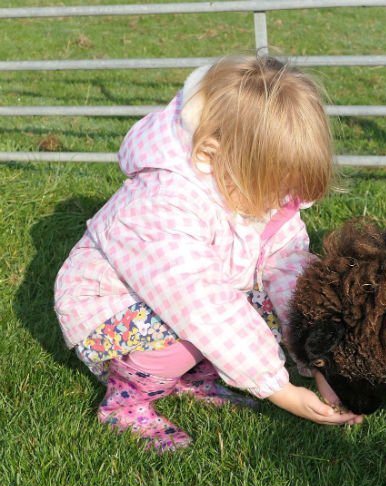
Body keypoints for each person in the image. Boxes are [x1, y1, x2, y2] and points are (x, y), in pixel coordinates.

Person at [54, 54, 363, 452]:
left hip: (188, 297)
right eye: (271, 184)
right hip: (106, 310)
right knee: (202, 327)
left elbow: (288, 268)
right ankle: (126, 400)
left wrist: (319, 363)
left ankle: (193, 375)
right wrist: (280, 389)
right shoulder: (162, 206)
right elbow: (203, 307)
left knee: (263, 302)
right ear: (211, 153)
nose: (279, 199)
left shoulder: (248, 184)